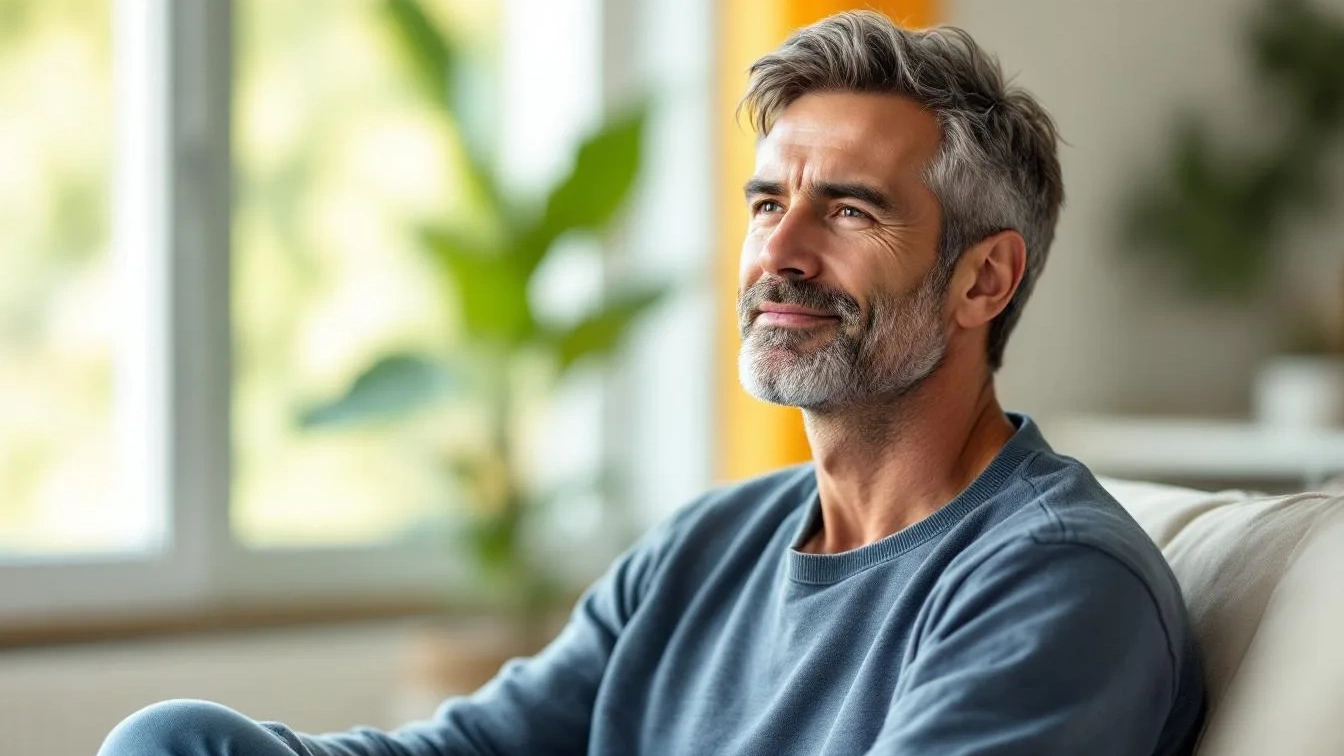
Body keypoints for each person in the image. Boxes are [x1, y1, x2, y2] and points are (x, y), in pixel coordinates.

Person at [99, 10, 1206, 756]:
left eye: (851, 210)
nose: (782, 252)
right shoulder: (705, 546)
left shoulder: (1058, 584)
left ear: (984, 280)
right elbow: (473, 749)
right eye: (769, 203)